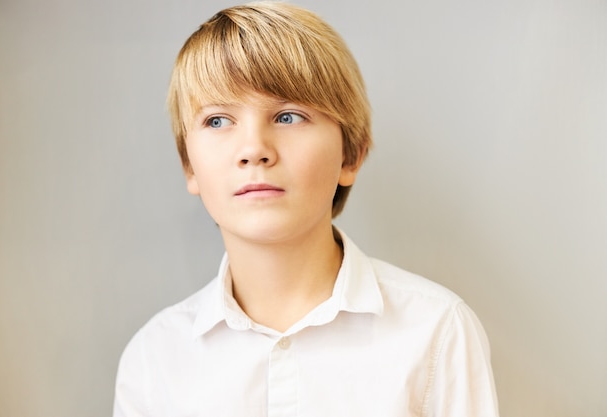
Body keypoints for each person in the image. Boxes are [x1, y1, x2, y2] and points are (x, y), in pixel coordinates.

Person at [113, 2, 499, 416]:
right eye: (218, 121)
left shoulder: (437, 331)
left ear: (350, 156)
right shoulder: (154, 359)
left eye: (288, 116)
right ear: (190, 166)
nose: (253, 150)